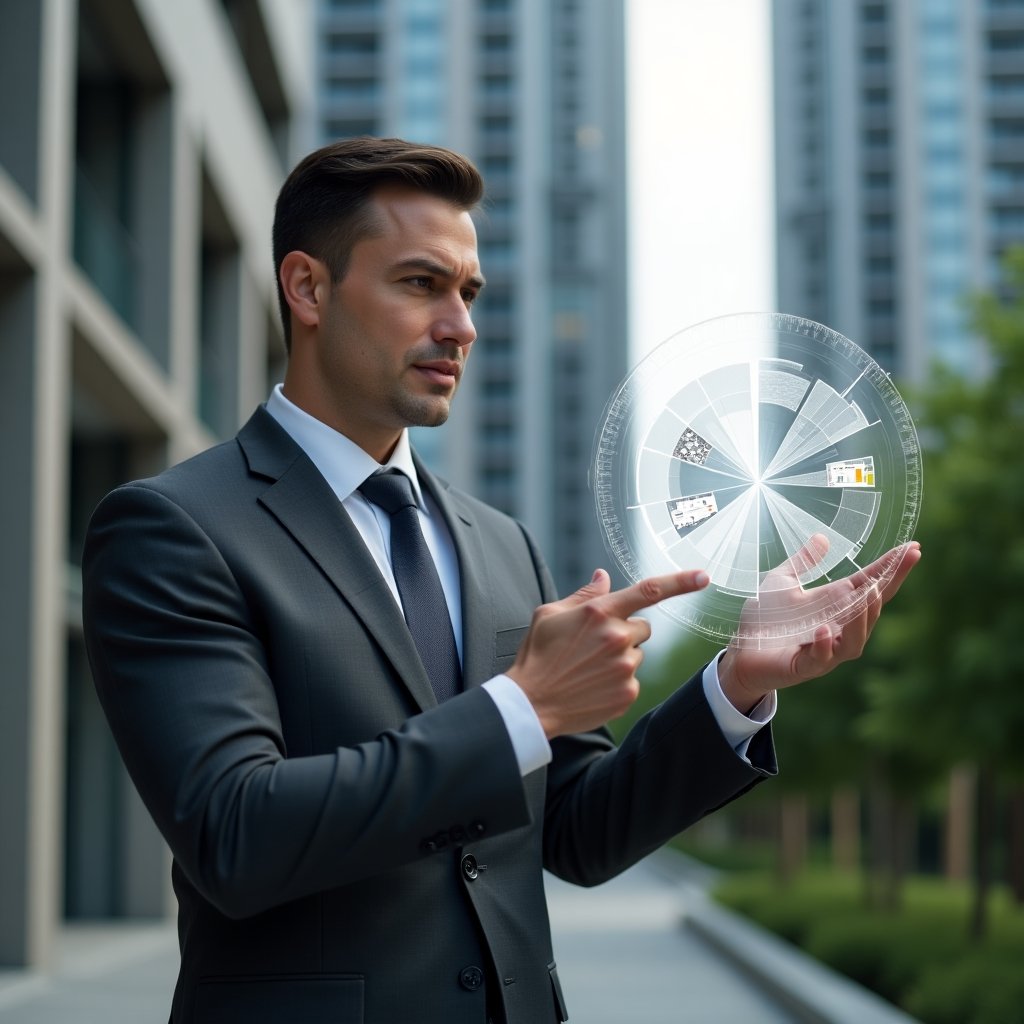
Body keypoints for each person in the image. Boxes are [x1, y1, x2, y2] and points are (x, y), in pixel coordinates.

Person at [82, 137, 920, 1024]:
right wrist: (519, 708)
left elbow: (577, 831)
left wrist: (735, 687)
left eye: (469, 293)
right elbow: (235, 834)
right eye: (420, 284)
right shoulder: (175, 528)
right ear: (308, 288)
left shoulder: (498, 544)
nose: (461, 325)